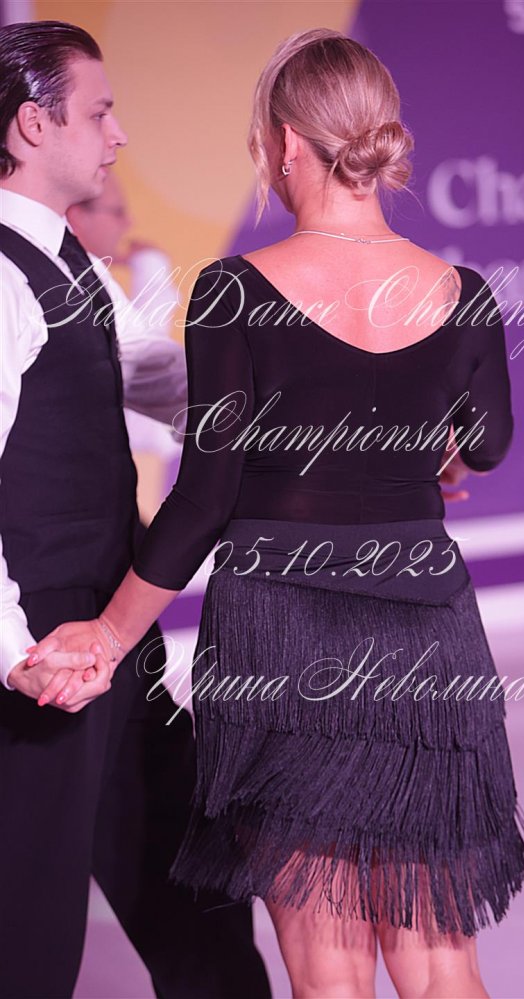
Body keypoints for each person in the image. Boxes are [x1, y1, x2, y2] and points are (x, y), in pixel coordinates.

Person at [31, 28, 524, 999]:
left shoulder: (235, 292)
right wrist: (420, 443)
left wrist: (109, 632)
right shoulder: (464, 295)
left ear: (285, 144)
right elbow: (485, 444)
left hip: (283, 635)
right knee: (442, 966)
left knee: (328, 972)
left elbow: (205, 498)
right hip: (427, 634)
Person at [0, 20, 270, 999]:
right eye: (101, 112)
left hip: (114, 630)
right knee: (27, 939)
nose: (118, 136)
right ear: (34, 124)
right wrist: (18, 656)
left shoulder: (70, 265)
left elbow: (166, 382)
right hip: (44, 656)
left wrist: (356, 432)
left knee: (197, 893)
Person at [68, 169, 182, 520]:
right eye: (117, 211)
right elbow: (139, 381)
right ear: (75, 216)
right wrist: (153, 271)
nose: (128, 222)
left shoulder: (88, 280)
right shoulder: (63, 288)